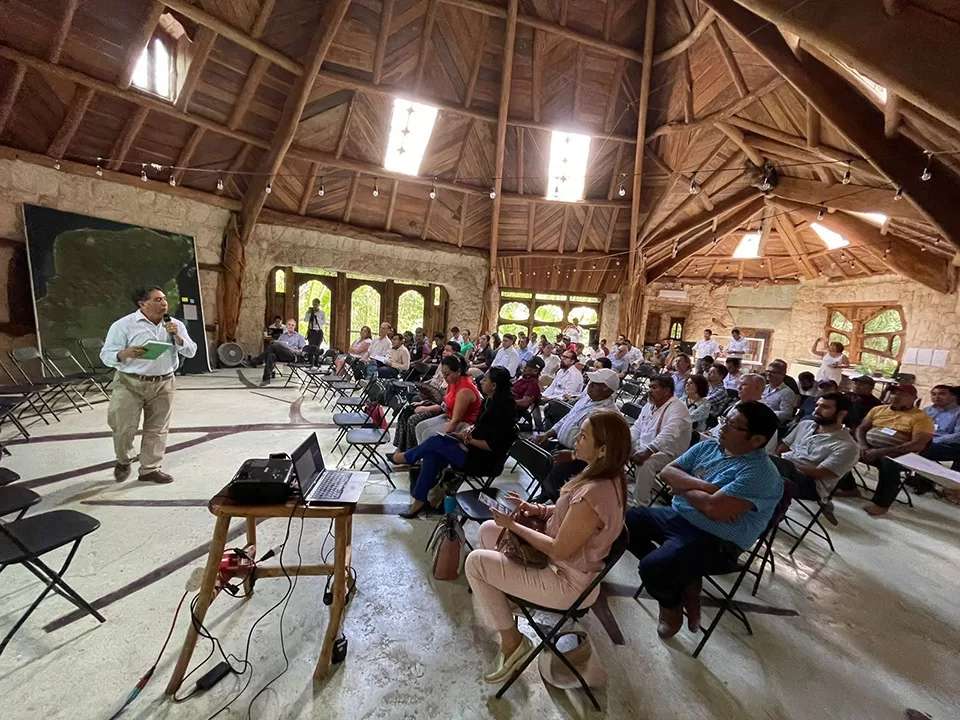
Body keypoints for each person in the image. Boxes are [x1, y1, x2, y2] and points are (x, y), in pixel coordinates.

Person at [466, 410, 630, 682]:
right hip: (559, 565)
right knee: (487, 530)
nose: (576, 438)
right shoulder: (599, 474)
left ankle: (513, 642)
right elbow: (567, 511)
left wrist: (514, 525)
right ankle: (506, 601)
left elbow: (558, 550)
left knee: (476, 563)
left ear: (602, 450)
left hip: (566, 580)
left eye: (584, 435)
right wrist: (536, 510)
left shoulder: (596, 492)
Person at [625, 402, 783, 639]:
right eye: (725, 420)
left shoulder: (761, 474)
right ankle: (684, 578)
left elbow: (713, 509)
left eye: (732, 425)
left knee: (654, 567)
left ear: (757, 440)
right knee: (624, 523)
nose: (723, 427)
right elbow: (667, 471)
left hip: (717, 540)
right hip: (680, 517)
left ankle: (672, 603)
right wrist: (708, 487)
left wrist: (682, 487)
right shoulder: (709, 446)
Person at [389, 367, 517, 519]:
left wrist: (469, 441)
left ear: (494, 385)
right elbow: (480, 427)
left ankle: (406, 458)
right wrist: (466, 434)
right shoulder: (490, 401)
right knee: (432, 454)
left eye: (484, 379)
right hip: (471, 448)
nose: (480, 381)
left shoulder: (503, 411)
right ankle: (420, 500)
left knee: (435, 442)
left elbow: (492, 446)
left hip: (482, 460)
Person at [101, 285, 197, 484]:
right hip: (130, 382)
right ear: (142, 304)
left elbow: (191, 351)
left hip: (164, 382)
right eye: (158, 300)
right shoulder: (123, 325)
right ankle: (123, 459)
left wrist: (177, 337)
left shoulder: (175, 324)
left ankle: (150, 469)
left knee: (158, 428)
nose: (164, 303)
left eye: (164, 299)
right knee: (123, 426)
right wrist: (123, 353)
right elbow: (106, 355)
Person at [837, 383, 934, 517]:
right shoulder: (878, 409)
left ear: (914, 398)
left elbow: (917, 444)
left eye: (902, 394)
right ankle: (849, 488)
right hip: (869, 448)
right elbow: (861, 428)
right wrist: (862, 445)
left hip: (899, 454)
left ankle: (881, 504)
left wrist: (880, 452)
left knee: (889, 463)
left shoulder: (921, 418)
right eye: (894, 393)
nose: (896, 396)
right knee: (842, 450)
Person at [530, 369, 621, 502]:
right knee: (533, 456)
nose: (590, 385)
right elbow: (566, 419)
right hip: (562, 445)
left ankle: (560, 504)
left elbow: (598, 446)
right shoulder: (586, 400)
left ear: (608, 391)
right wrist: (547, 434)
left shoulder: (608, 414)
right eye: (591, 382)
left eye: (596, 384)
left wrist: (574, 455)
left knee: (553, 471)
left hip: (581, 457)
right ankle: (547, 493)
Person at [773, 392, 859, 525]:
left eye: (825, 407)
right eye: (817, 405)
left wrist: (786, 464)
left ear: (841, 414)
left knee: (764, 468)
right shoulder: (806, 425)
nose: (817, 410)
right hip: (783, 469)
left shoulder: (847, 446)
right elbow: (782, 448)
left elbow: (819, 473)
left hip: (811, 485)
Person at [629, 375, 692, 505]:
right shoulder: (649, 405)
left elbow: (669, 433)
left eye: (654, 387)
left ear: (666, 391)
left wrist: (648, 450)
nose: (649, 391)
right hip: (646, 445)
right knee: (617, 446)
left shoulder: (677, 408)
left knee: (646, 463)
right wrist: (625, 441)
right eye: (649, 387)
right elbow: (637, 427)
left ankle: (640, 504)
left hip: (669, 453)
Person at [411, 354, 483, 445]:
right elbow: (444, 405)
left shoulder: (465, 390)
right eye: (443, 373)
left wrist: (442, 436)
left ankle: (430, 456)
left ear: (458, 372)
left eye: (447, 374)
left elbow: (456, 420)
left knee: (428, 434)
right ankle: (423, 455)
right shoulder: (452, 382)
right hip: (449, 416)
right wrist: (426, 407)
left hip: (463, 423)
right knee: (420, 427)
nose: (444, 377)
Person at [247, 318, 306, 386]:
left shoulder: (299, 337)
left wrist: (294, 350)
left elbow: (303, 351)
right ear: (286, 326)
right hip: (281, 355)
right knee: (271, 355)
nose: (291, 326)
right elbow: (278, 345)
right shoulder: (282, 336)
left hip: (291, 356)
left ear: (295, 326)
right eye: (289, 324)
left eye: (292, 325)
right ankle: (266, 379)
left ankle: (257, 361)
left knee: (273, 346)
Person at [921, 384, 960, 469]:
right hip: (924, 441)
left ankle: (923, 479)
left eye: (942, 394)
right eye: (933, 394)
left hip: (949, 445)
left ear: (953, 396)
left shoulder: (958, 412)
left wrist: (933, 441)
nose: (937, 397)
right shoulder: (927, 410)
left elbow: (958, 436)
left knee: (924, 449)